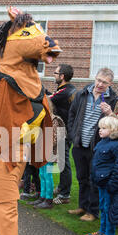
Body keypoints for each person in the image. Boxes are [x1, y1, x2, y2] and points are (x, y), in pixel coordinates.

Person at [67, 67, 118, 221]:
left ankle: (92, 211)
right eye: (98, 80)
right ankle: (82, 206)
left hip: (96, 145)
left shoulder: (112, 100)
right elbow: (72, 114)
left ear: (110, 84)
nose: (100, 84)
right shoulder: (83, 94)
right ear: (95, 78)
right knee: (82, 177)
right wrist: (72, 133)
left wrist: (110, 112)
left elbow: (115, 124)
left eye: (104, 82)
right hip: (78, 143)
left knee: (94, 179)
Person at [86, 116, 118, 235]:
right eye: (100, 128)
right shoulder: (101, 142)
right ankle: (102, 230)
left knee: (108, 207)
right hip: (100, 181)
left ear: (113, 129)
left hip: (109, 182)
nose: (100, 130)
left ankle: (110, 233)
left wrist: (112, 180)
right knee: (102, 205)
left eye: (104, 128)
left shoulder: (117, 145)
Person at [50, 64, 76, 205]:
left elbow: (47, 99)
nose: (53, 75)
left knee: (63, 162)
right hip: (64, 130)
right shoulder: (66, 90)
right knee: (61, 160)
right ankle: (61, 187)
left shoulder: (65, 91)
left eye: (55, 73)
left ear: (62, 76)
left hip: (64, 131)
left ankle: (65, 195)